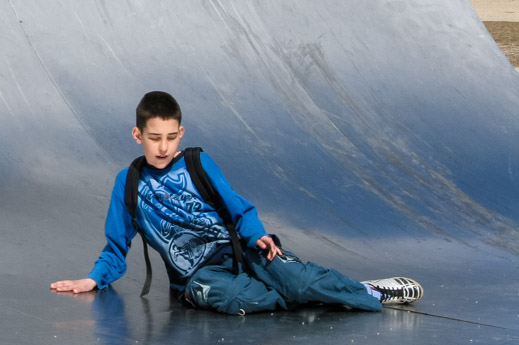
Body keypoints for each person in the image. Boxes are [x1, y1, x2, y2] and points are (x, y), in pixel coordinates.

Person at [49, 91, 422, 315]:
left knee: (299, 279)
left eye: (171, 137)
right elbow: (117, 246)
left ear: (181, 133)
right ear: (137, 135)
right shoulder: (128, 183)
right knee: (233, 299)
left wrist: (257, 234)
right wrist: (92, 279)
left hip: (240, 253)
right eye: (154, 137)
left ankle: (370, 291)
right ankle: (312, 295)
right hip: (199, 278)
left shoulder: (197, 163)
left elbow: (239, 208)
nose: (163, 147)